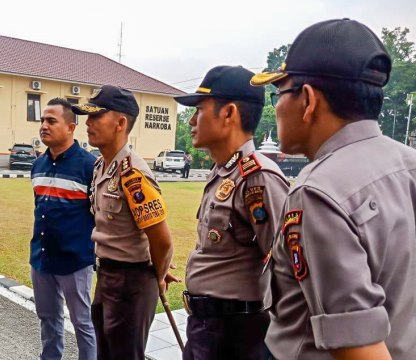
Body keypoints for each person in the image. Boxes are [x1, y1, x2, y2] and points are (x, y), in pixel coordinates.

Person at [251, 18, 416, 359]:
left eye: (278, 92)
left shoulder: (318, 192)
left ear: (308, 100)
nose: (276, 106)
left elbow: (359, 348)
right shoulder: (408, 163)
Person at [174, 66, 289, 360]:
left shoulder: (257, 177)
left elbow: (285, 265)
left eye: (199, 110)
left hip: (234, 334)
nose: (191, 121)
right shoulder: (224, 172)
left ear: (229, 114)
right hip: (208, 327)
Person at [72, 85, 176, 360]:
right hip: (106, 275)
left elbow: (162, 240)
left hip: (132, 282)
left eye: (95, 117)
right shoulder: (101, 167)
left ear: (120, 123)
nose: (87, 123)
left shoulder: (134, 175)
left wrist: (159, 277)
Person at [30, 98, 97, 360]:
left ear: (70, 127)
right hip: (41, 258)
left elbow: (99, 215)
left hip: (75, 260)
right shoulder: (38, 165)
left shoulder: (89, 166)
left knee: (83, 324)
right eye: (42, 121)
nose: (44, 126)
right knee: (48, 320)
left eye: (51, 121)